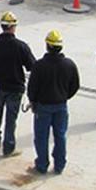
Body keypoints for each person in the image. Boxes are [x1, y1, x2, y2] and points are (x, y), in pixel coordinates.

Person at [0, 11, 35, 157]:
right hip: (15, 88)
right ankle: (8, 148)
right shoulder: (21, 46)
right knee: (11, 119)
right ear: (13, 27)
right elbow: (31, 66)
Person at [27, 30, 80, 175]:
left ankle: (42, 165)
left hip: (43, 107)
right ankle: (59, 165)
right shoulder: (69, 65)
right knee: (60, 136)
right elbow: (75, 85)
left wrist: (33, 101)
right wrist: (64, 96)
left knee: (41, 137)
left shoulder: (39, 66)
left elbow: (32, 87)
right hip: (61, 106)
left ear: (47, 46)